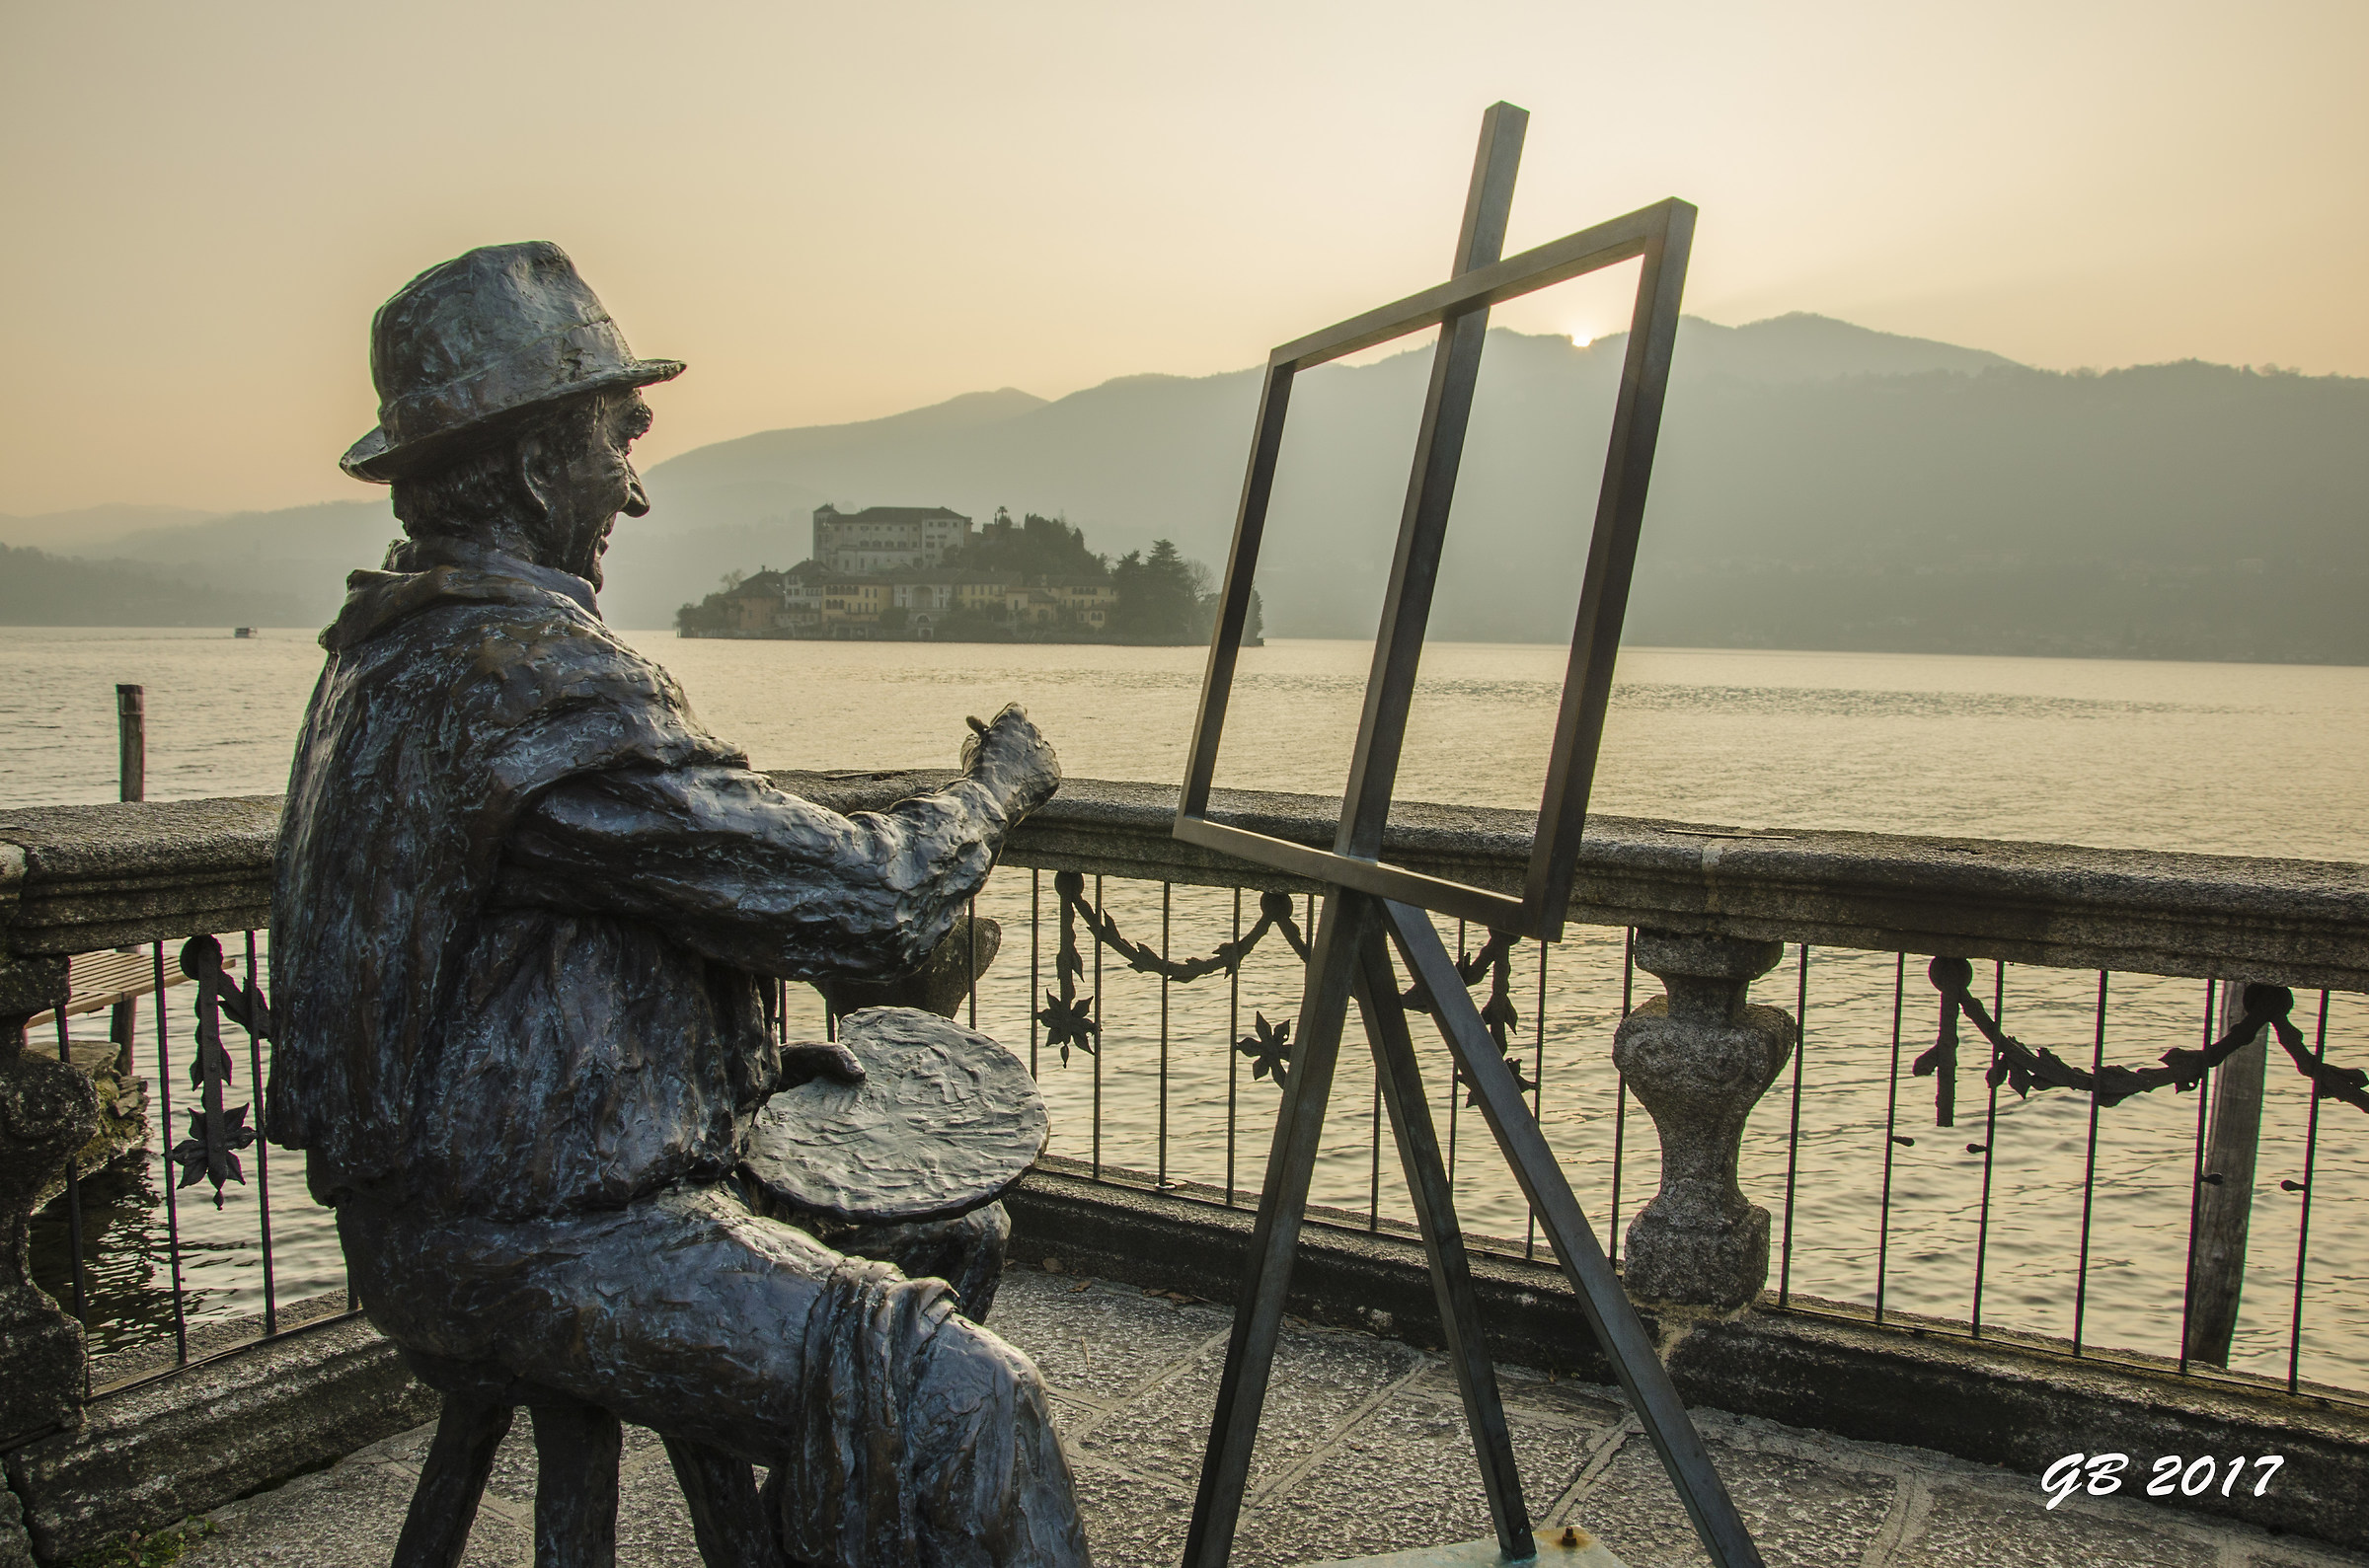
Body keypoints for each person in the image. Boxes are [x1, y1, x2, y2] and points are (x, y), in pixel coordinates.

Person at [267, 241, 1088, 1568]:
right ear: (537, 465)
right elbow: (862, 901)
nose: (634, 491)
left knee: (952, 1228)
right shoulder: (532, 680)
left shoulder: (379, 657)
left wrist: (732, 1065)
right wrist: (994, 793)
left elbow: (529, 969)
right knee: (979, 1403)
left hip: (434, 1219)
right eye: (615, 437)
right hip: (530, 1242)